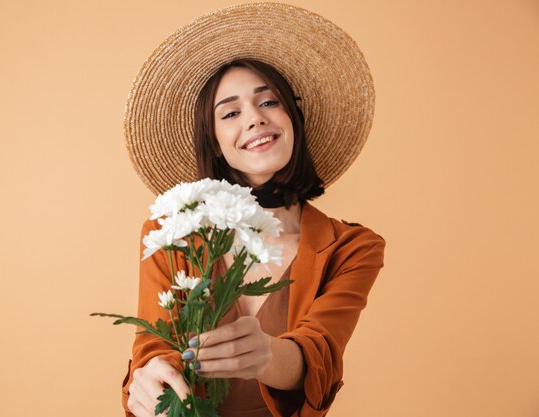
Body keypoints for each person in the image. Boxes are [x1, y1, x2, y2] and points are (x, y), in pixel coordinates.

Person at [120, 4, 386, 417]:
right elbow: (154, 346)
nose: (255, 119)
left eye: (270, 102)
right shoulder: (171, 231)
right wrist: (150, 375)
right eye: (230, 112)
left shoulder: (352, 248)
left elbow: (320, 357)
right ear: (214, 142)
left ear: (294, 118)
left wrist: (264, 355)